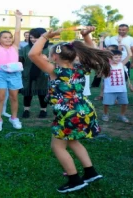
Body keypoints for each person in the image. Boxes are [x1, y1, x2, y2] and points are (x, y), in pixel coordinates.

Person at [28, 27, 110, 193]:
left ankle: (74, 180)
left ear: (54, 56)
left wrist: (44, 36)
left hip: (68, 113)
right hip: (84, 109)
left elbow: (33, 55)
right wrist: (87, 36)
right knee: (72, 140)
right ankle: (90, 172)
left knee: (58, 146)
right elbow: (93, 53)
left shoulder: (55, 70)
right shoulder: (80, 68)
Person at [19, 28, 49, 119]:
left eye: (37, 37)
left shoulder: (48, 49)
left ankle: (43, 110)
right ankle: (26, 110)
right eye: (31, 37)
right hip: (27, 74)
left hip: (42, 75)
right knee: (27, 93)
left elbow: (52, 63)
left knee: (42, 93)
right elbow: (21, 61)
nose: (33, 39)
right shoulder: (25, 49)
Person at [101, 46, 132, 123]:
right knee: (106, 104)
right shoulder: (107, 66)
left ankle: (122, 115)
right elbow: (101, 74)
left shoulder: (121, 64)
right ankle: (105, 114)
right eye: (116, 57)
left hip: (122, 89)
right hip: (109, 90)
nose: (118, 59)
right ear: (110, 58)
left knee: (125, 103)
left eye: (120, 57)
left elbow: (129, 55)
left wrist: (125, 46)